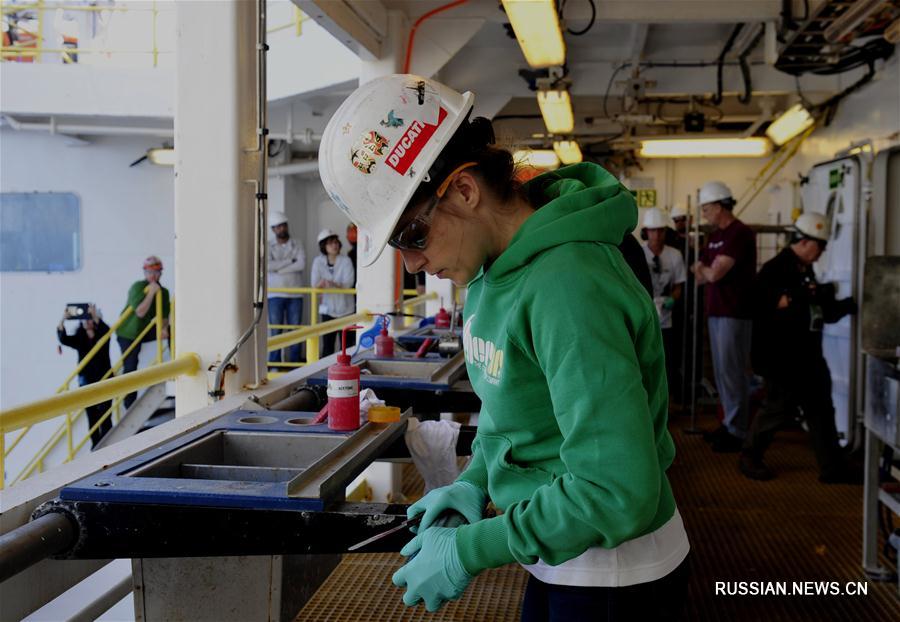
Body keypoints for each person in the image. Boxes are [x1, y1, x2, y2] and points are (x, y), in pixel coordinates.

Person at [319, 74, 690, 620]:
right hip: (555, 554)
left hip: (614, 571)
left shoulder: (568, 284)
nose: (413, 263)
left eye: (412, 236)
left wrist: (472, 549)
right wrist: (474, 481)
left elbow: (617, 489)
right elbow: (508, 407)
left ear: (465, 191)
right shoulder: (491, 274)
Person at [741, 212, 858, 483]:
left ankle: (832, 468)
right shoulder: (775, 270)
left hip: (807, 356)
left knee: (821, 410)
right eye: (821, 246)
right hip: (782, 358)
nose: (822, 252)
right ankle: (749, 454)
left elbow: (815, 309)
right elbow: (763, 306)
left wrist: (843, 306)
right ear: (805, 242)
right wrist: (801, 298)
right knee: (778, 408)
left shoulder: (804, 270)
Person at [691, 181, 756, 452]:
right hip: (717, 310)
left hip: (734, 311)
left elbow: (713, 274)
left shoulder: (738, 234)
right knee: (721, 372)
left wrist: (707, 270)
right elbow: (699, 272)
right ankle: (729, 423)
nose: (704, 214)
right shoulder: (716, 237)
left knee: (733, 372)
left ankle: (738, 430)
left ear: (720, 206)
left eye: (706, 208)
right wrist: (707, 270)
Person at [642, 208, 686, 401]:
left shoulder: (674, 255)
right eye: (653, 230)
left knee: (667, 361)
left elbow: (678, 286)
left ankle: (666, 401)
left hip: (666, 318)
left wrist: (672, 300)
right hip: (644, 316)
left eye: (661, 230)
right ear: (646, 232)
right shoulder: (639, 253)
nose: (657, 235)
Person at [116, 256, 170, 409]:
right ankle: (129, 405)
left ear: (161, 273)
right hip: (128, 333)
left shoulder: (163, 292)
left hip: (143, 331)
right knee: (130, 367)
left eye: (156, 272)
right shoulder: (138, 287)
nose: (152, 276)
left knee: (172, 330)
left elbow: (164, 316)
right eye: (149, 272)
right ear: (144, 273)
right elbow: (140, 311)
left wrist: (164, 328)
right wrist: (151, 293)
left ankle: (174, 367)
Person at [57, 304, 112, 448]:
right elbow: (63, 339)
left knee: (106, 415)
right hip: (87, 381)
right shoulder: (79, 338)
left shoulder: (102, 333)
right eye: (85, 319)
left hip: (105, 378)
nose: (87, 321)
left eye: (90, 319)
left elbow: (107, 331)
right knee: (92, 416)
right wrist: (64, 319)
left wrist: (94, 315)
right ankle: (95, 445)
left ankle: (108, 444)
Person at [267, 210, 306, 364]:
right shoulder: (268, 246)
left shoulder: (298, 243)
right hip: (275, 295)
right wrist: (290, 261)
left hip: (295, 294)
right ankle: (274, 364)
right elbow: (268, 266)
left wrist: (278, 269)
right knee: (276, 331)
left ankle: (295, 364)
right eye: (278, 227)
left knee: (295, 331)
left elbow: (301, 264)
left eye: (283, 225)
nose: (281, 229)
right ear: (273, 229)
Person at [311, 228, 356, 357]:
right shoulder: (318, 262)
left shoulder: (346, 260)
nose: (334, 245)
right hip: (327, 309)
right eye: (330, 243)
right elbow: (314, 284)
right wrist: (323, 283)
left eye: (336, 242)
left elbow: (349, 283)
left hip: (346, 310)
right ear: (323, 246)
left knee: (347, 346)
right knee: (327, 346)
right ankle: (326, 374)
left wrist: (331, 283)